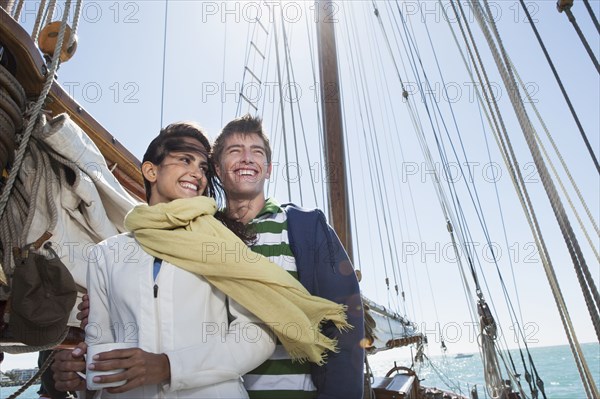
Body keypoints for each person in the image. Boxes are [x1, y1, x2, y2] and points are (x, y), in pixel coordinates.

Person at [53, 122, 275, 398]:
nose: (197, 173)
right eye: (185, 159)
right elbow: (101, 346)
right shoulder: (106, 254)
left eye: (203, 167)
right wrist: (83, 376)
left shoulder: (223, 243)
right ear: (151, 170)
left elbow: (257, 335)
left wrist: (169, 367)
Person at [211, 114, 365, 398]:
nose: (246, 159)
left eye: (256, 152)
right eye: (235, 151)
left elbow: (344, 322)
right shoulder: (206, 234)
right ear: (218, 170)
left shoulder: (306, 228)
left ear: (267, 170)